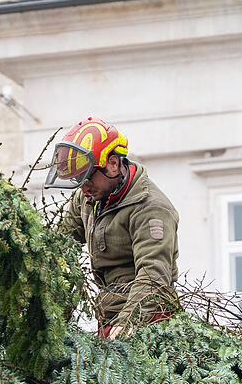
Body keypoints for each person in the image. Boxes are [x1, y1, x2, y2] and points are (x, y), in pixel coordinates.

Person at [45, 117, 181, 339]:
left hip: (149, 316)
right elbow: (58, 244)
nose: (83, 187)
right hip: (108, 311)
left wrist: (128, 323)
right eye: (78, 180)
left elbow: (153, 276)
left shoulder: (150, 208)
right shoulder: (89, 197)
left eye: (88, 178)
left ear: (113, 164)